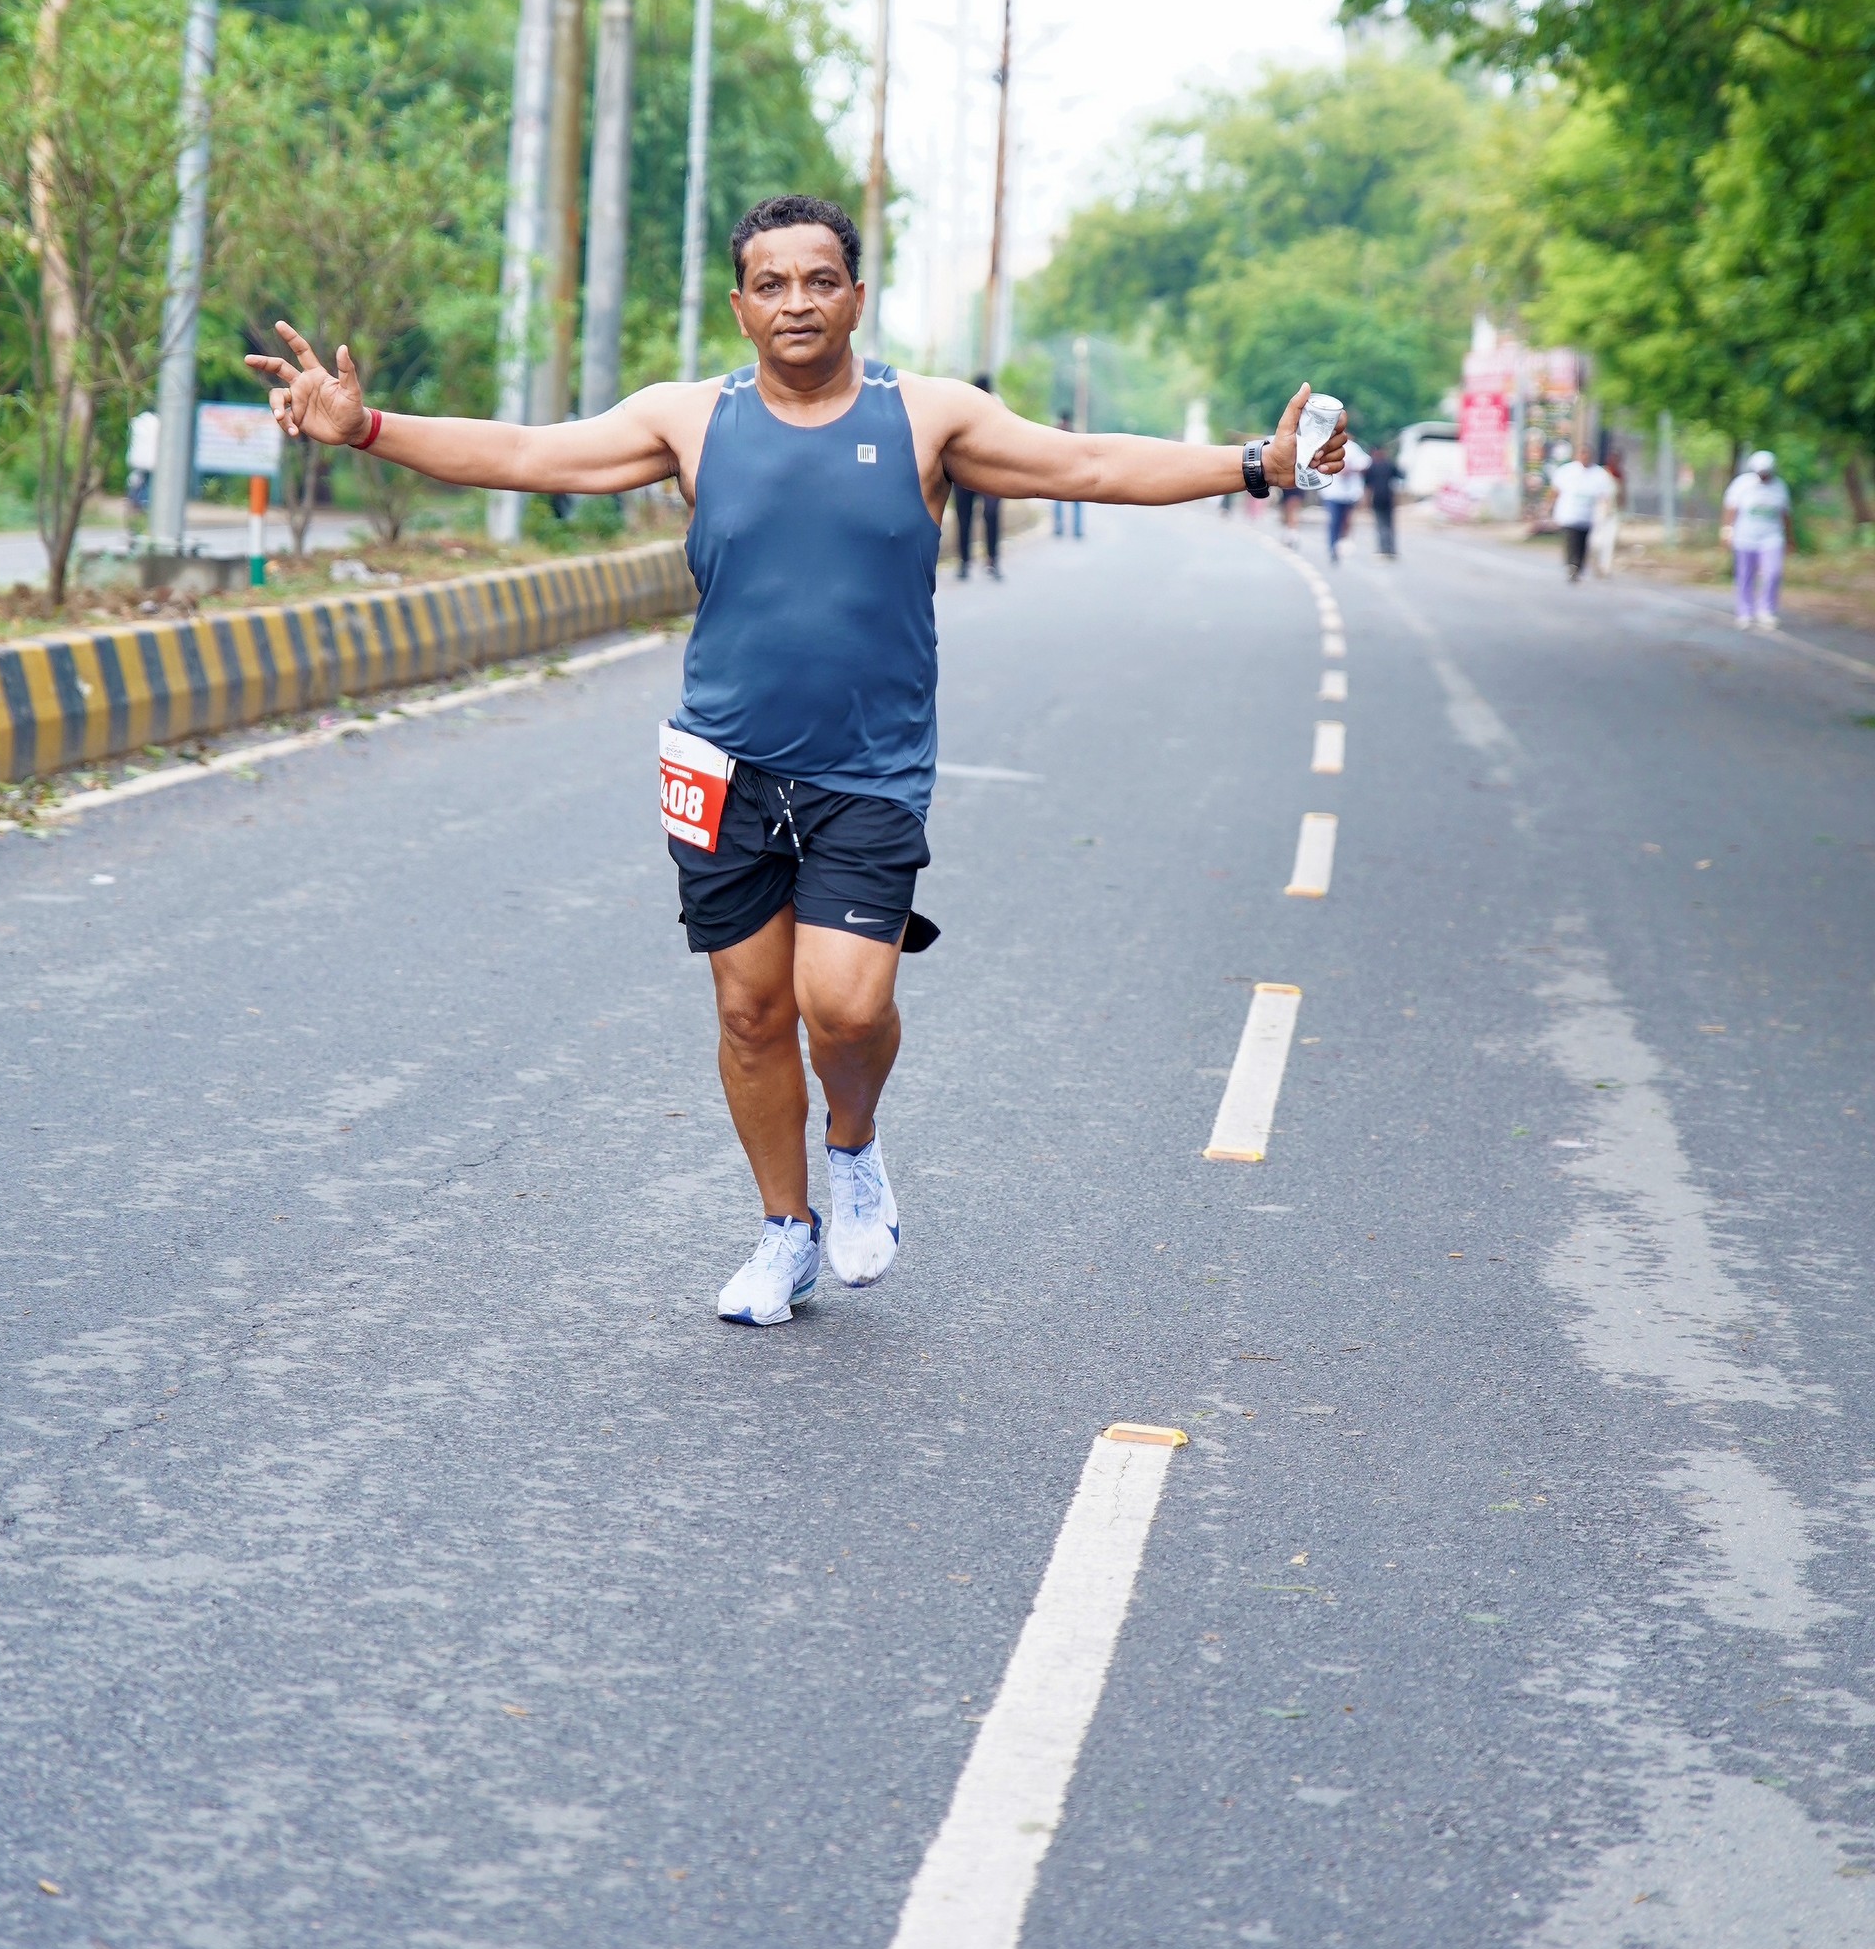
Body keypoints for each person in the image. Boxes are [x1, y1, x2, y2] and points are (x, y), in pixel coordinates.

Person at [249, 194, 1349, 1326]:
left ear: (856, 298)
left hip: (868, 771)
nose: (796, 303)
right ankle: (785, 1231)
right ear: (739, 307)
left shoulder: (927, 416)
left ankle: (855, 1148)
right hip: (721, 767)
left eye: (820, 281)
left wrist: (1256, 464)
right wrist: (367, 428)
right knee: (748, 1013)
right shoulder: (691, 420)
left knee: (847, 1007)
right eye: (770, 285)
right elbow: (529, 453)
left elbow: (1088, 464)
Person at [1723, 449, 1790, 628]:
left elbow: (1785, 513)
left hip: (1771, 536)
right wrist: (1727, 531)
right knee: (1745, 574)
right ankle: (1745, 612)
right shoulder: (1742, 484)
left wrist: (1790, 538)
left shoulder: (1779, 487)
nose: (1763, 476)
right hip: (1745, 536)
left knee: (1773, 573)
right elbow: (1731, 508)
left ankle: (1766, 610)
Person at [953, 373, 1002, 580]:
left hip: (976, 473)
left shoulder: (996, 408)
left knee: (976, 517)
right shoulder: (969, 407)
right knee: (975, 517)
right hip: (972, 474)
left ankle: (980, 561)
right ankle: (974, 562)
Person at [1551, 448, 1602, 579]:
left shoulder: (1598, 473)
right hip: (1569, 513)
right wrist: (1549, 506)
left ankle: (1578, 566)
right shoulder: (1567, 471)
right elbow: (1555, 490)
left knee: (1583, 542)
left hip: (1587, 516)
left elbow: (1604, 496)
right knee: (1571, 540)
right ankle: (1571, 564)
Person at [1321, 430, 1370, 561]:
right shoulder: (1327, 447)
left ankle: (1342, 541)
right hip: (1332, 492)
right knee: (1334, 520)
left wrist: (1350, 469)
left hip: (1349, 493)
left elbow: (1365, 463)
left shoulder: (1353, 448)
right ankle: (1332, 546)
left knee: (1346, 520)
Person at [1363, 440, 1400, 559]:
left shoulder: (1372, 467)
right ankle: (1389, 549)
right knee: (1388, 525)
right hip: (1387, 498)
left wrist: (1366, 501)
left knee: (1381, 525)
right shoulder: (1389, 465)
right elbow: (1398, 481)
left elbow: (1368, 487)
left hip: (1379, 498)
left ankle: (1385, 549)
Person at [1588, 453, 1622, 577]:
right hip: (1600, 510)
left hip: (1613, 511)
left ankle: (1606, 567)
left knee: (1610, 540)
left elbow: (1622, 493)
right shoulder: (1601, 474)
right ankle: (1595, 562)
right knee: (1596, 540)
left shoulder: (1619, 474)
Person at [1052, 411, 1084, 540]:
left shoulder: (1055, 432)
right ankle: (1075, 529)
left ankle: (1060, 527)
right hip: (1070, 472)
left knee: (1059, 502)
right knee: (1074, 503)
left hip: (1062, 473)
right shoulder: (1073, 433)